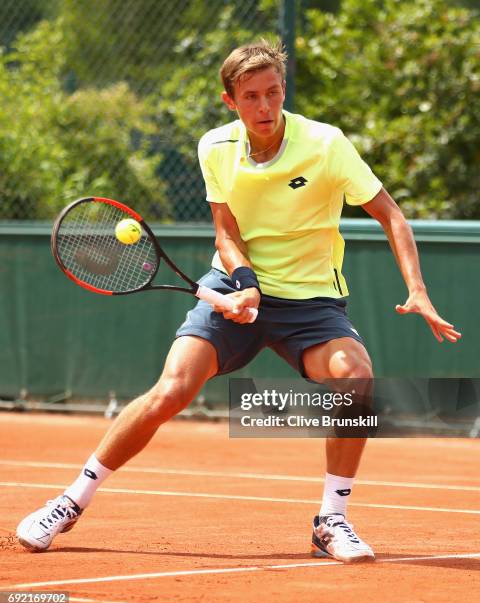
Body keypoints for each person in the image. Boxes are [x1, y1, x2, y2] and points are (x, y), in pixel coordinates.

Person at [16, 39, 461, 562]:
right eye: (251, 97)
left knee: (354, 379)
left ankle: (332, 521)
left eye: (274, 92)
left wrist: (418, 289)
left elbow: (391, 214)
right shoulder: (215, 147)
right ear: (231, 101)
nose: (266, 107)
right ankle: (71, 501)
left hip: (310, 300)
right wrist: (246, 282)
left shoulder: (326, 144)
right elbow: (226, 233)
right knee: (173, 390)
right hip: (232, 282)